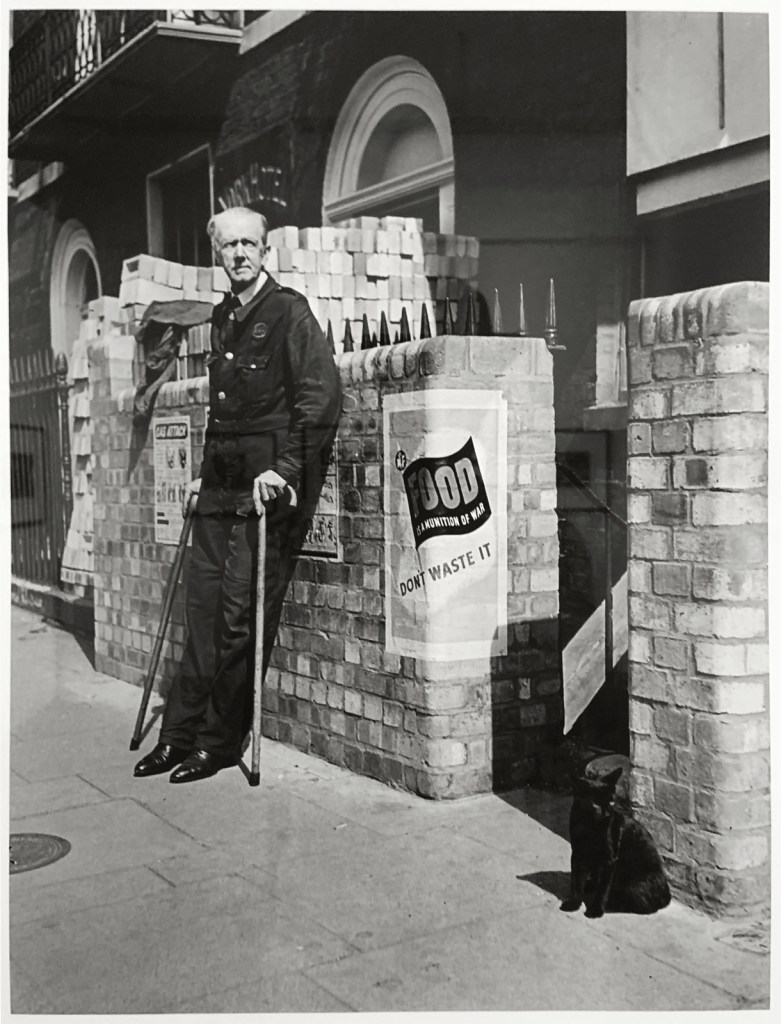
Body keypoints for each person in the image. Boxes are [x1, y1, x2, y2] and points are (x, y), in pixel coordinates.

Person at [133, 207, 342, 783]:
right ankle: (177, 735)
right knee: (200, 611)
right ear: (218, 254)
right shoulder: (223, 316)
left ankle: (218, 741)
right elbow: (222, 413)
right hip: (219, 488)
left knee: (237, 618)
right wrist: (203, 475)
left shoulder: (289, 311)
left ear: (265, 250)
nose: (240, 254)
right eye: (230, 246)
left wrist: (286, 470)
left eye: (250, 244)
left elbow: (321, 398)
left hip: (264, 493)